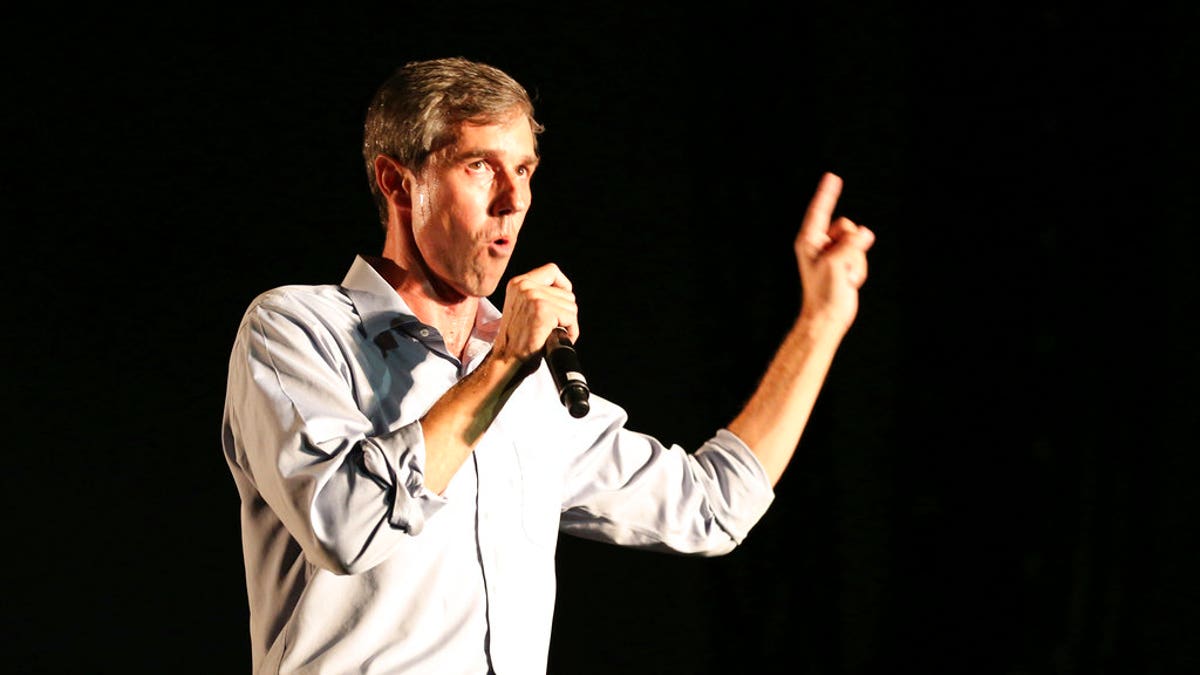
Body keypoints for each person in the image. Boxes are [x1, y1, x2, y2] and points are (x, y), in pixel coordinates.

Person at [221, 56, 875, 674]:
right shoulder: (297, 329)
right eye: (480, 166)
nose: (513, 200)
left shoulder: (528, 381)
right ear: (399, 180)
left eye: (526, 170)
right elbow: (345, 524)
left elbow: (711, 506)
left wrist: (821, 321)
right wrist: (504, 363)